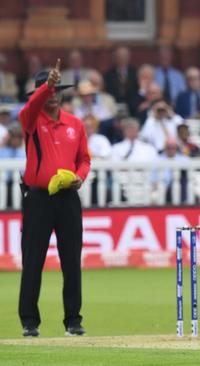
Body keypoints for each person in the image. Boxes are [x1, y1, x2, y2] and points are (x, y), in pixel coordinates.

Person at [18, 59, 90, 337]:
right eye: (50, 90)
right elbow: (31, 107)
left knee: (71, 261)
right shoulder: (31, 120)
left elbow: (84, 159)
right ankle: (29, 321)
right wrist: (45, 87)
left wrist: (80, 177)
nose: (54, 94)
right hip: (38, 199)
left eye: (58, 90)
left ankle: (73, 320)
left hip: (68, 198)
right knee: (33, 260)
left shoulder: (75, 124)